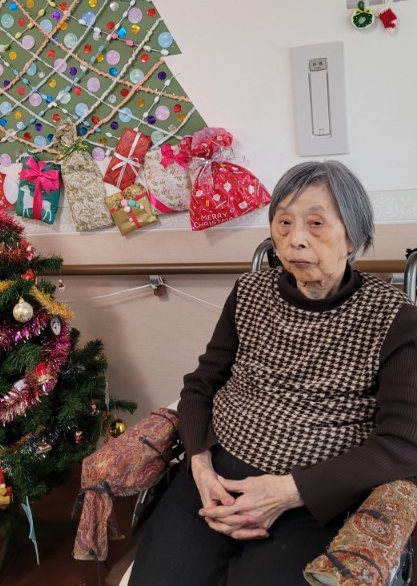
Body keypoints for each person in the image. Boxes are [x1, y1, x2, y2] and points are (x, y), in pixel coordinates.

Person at [129, 160, 417, 586]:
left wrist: (289, 491)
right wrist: (199, 466)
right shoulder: (249, 292)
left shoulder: (394, 317)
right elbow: (200, 385)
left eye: (315, 223)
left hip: (312, 499)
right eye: (283, 223)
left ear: (353, 237)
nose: (295, 238)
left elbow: (403, 443)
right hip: (214, 480)